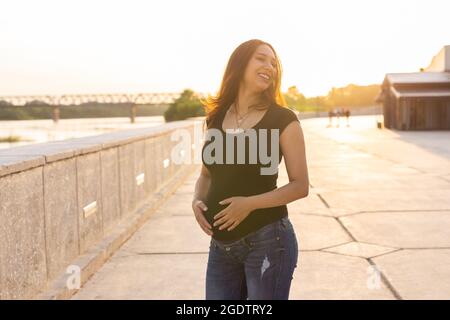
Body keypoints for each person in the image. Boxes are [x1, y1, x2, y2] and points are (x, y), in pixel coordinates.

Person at [192, 39, 309, 300]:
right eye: (261, 58)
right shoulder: (216, 117)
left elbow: (300, 186)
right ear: (240, 63)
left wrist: (249, 204)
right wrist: (197, 200)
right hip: (221, 246)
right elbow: (206, 174)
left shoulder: (283, 120)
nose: (270, 66)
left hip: (269, 241)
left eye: (274, 63)